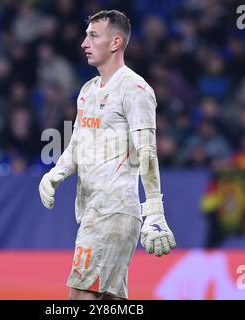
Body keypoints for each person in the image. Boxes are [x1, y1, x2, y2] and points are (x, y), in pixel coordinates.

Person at [38, 10, 176, 300]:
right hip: (92, 210)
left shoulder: (135, 89)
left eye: (93, 36)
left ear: (115, 42)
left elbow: (147, 151)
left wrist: (155, 209)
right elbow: (77, 143)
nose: (84, 43)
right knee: (110, 300)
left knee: (80, 296)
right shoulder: (88, 90)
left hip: (113, 211)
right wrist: (56, 174)